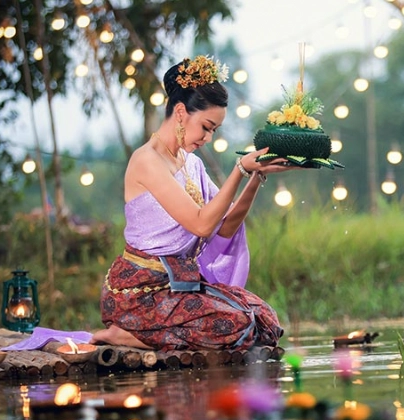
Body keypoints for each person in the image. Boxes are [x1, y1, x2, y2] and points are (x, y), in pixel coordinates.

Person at [91, 55, 294, 352]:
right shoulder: (147, 161)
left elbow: (223, 229)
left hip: (180, 287)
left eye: (214, 131)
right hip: (137, 293)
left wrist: (255, 177)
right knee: (236, 326)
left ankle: (147, 337)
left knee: (263, 320)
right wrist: (239, 169)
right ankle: (124, 334)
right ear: (182, 112)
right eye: (207, 127)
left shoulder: (191, 164)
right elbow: (200, 223)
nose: (208, 138)